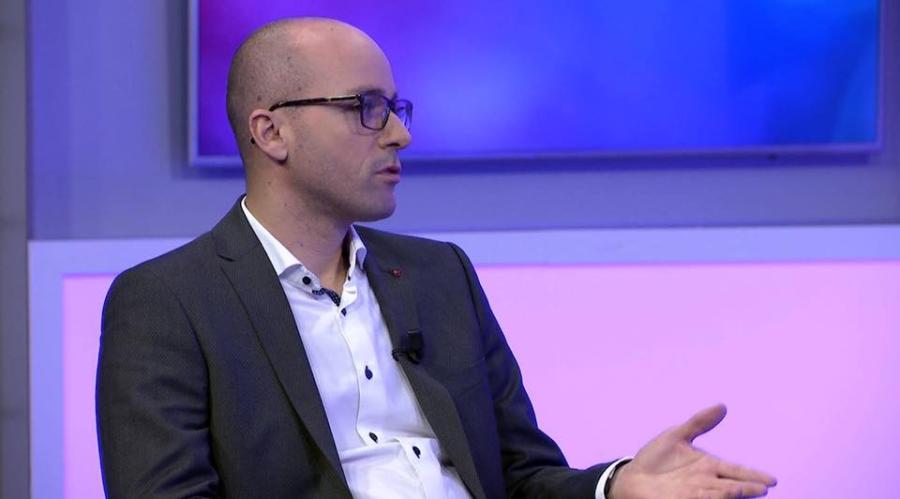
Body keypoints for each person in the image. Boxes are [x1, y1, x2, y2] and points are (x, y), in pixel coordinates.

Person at [96, 17, 777, 499]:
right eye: (366, 107)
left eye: (395, 107)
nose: (400, 133)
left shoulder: (440, 274)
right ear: (271, 131)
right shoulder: (167, 301)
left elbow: (520, 476)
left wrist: (614, 486)